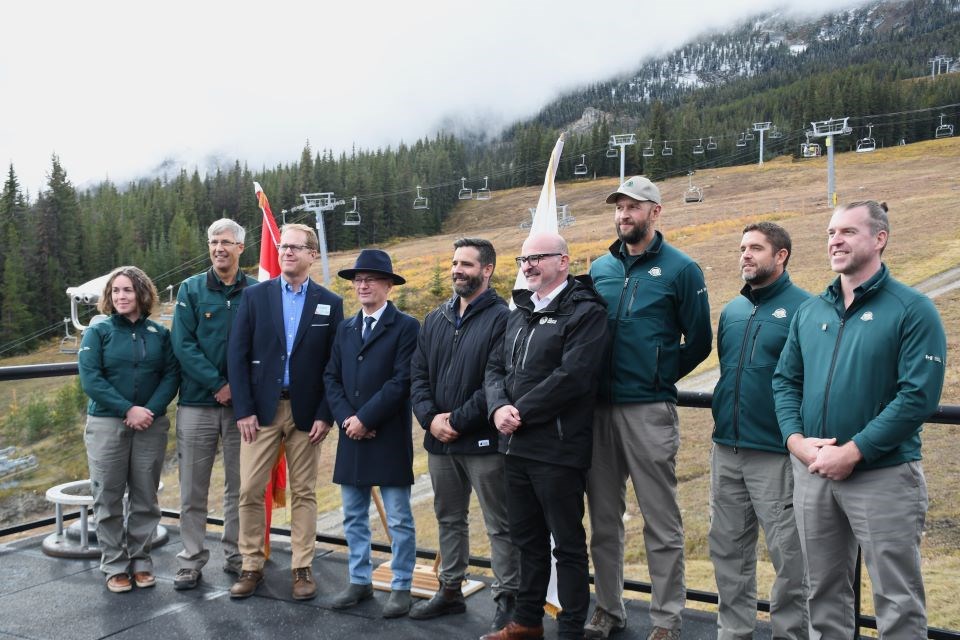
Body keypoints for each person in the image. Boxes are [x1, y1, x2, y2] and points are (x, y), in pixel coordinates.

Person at [773, 201, 946, 639]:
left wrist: (853, 451)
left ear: (879, 238)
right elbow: (784, 382)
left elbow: (917, 397)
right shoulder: (811, 312)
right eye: (832, 232)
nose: (835, 240)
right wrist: (796, 441)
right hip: (813, 472)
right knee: (823, 593)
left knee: (897, 599)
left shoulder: (912, 309)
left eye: (848, 231)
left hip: (883, 474)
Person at [586, 176, 712, 640]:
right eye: (619, 207)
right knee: (602, 520)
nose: (624, 215)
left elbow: (698, 341)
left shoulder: (682, 270)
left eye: (633, 207)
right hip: (598, 412)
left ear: (655, 212)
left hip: (649, 411)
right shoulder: (599, 268)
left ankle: (666, 621)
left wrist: (658, 374)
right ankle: (608, 609)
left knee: (661, 521)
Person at [482, 232, 608, 640]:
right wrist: (498, 406)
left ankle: (570, 629)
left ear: (564, 261)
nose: (529, 265)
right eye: (523, 259)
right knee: (526, 540)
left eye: (538, 258)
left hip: (557, 447)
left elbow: (574, 376)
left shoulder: (585, 311)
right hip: (515, 446)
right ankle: (527, 622)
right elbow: (494, 368)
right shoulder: (517, 311)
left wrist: (520, 413)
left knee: (567, 545)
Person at [226, 223, 343, 600]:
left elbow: (334, 364)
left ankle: (302, 568)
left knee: (305, 493)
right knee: (249, 490)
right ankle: (251, 565)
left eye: (296, 247)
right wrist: (243, 409)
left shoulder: (329, 302)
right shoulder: (255, 297)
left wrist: (327, 413)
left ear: (312, 254)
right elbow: (237, 355)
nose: (288, 252)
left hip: (307, 414)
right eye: (283, 247)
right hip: (260, 413)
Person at [409, 238, 519, 629]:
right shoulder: (435, 318)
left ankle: (508, 599)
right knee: (448, 518)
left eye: (467, 264)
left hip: (483, 442)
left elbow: (496, 379)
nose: (458, 270)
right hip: (439, 442)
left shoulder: (504, 318)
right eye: (455, 263)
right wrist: (429, 419)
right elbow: (418, 374)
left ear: (486, 270)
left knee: (499, 524)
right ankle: (450, 589)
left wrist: (455, 420)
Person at [709, 222, 810, 639]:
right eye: (742, 248)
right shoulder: (733, 309)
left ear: (781, 255)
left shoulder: (806, 308)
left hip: (775, 453)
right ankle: (733, 633)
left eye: (755, 248)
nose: (745, 255)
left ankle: (789, 634)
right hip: (726, 450)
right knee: (728, 552)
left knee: (790, 557)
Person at [324, 249, 421, 619]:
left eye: (370, 279)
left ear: (388, 286)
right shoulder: (346, 328)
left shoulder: (407, 327)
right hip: (352, 434)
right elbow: (331, 377)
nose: (362, 285)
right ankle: (359, 581)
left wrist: (366, 418)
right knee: (352, 515)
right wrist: (349, 418)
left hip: (388, 435)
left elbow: (402, 381)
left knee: (398, 518)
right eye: (357, 280)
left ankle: (401, 586)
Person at [78, 266, 179, 593]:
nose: (121, 296)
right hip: (107, 424)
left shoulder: (159, 334)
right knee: (107, 495)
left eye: (128, 290)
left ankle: (141, 560)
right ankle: (115, 565)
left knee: (145, 497)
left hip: (150, 423)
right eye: (116, 291)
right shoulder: (98, 331)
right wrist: (127, 409)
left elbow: (171, 375)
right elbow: (91, 378)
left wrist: (148, 410)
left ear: (142, 294)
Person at [171, 218, 257, 590]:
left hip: (242, 410)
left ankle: (237, 556)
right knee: (192, 488)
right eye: (212, 242)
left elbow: (263, 346)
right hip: (197, 405)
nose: (218, 248)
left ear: (241, 247)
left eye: (225, 242)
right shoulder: (190, 290)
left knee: (241, 488)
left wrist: (238, 390)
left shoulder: (257, 291)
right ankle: (190, 559)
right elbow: (182, 345)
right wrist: (219, 384)